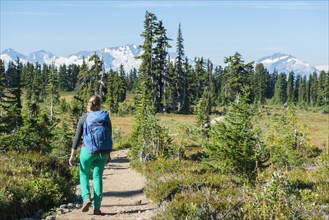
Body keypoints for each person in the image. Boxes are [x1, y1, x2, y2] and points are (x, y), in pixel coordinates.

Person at [69, 95, 112, 215]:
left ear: (89, 105)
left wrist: (72, 155)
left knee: (84, 174)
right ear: (99, 105)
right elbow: (109, 136)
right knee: (98, 177)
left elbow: (77, 138)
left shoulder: (84, 117)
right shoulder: (105, 118)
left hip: (87, 151)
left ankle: (86, 198)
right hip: (103, 152)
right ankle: (97, 207)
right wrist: (108, 154)